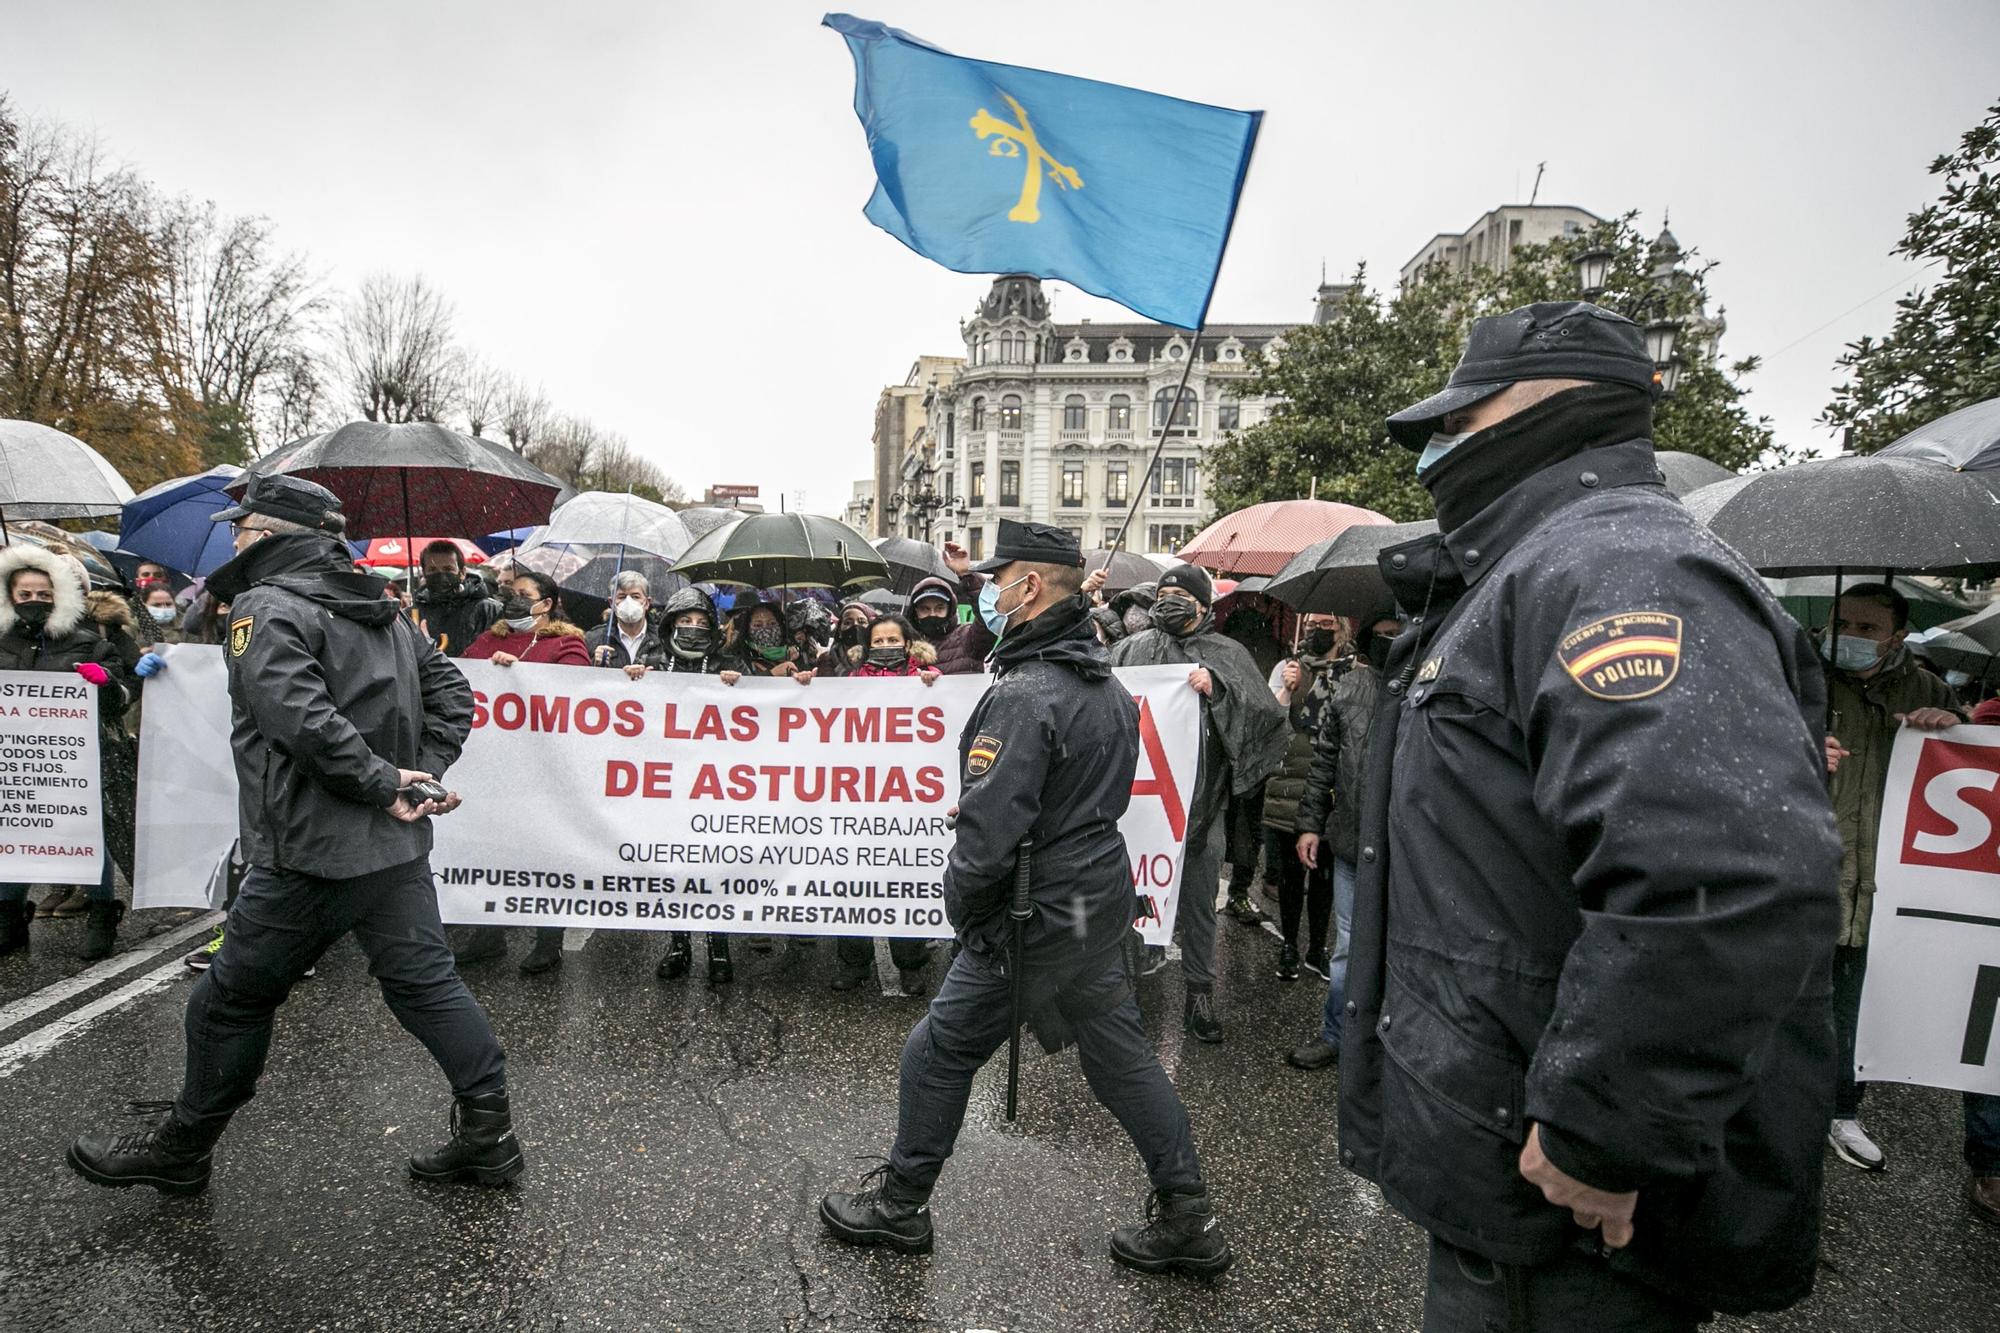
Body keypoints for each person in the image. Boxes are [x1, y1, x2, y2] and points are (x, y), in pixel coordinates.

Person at [1343, 301, 1840, 1329]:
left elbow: (1729, 876)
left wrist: (1600, 1131)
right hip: (1503, 1153)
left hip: (1567, 1206)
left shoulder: (1618, 568)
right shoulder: (1534, 567)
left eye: (1461, 415)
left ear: (1552, 406)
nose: (1438, 445)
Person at [67, 474, 519, 1195]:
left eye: (244, 526)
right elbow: (451, 696)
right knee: (426, 986)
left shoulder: (264, 605)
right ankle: (489, 1137)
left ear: (272, 535)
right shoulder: (385, 604)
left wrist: (394, 782)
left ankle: (184, 1145)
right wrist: (409, 779)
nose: (236, 536)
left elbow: (300, 720)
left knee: (229, 999)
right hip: (388, 844)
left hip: (310, 849)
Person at [819, 519, 1231, 1277]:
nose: (985, 592)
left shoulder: (1026, 692)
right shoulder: (1103, 682)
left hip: (1033, 916)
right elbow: (1065, 795)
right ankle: (1189, 1214)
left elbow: (985, 844)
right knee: (1120, 1060)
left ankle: (901, 1205)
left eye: (994, 579)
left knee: (936, 1053)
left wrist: (965, 907)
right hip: (1090, 905)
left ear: (1030, 586)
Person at [1818, 583, 1962, 1173]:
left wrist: (1951, 727)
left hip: (1879, 882)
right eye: (1842, 622)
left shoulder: (1926, 688)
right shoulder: (1793, 672)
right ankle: (1766, 1111)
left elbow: (1959, 772)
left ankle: (1842, 1111)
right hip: (1806, 873)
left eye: (1867, 629)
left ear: (1897, 638)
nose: (1849, 637)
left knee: (1856, 1007)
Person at [1110, 564, 1286, 1043]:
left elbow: (1265, 714)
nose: (1168, 600)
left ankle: (1200, 995)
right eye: (1162, 592)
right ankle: (1122, 993)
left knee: (1198, 906)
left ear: (1203, 606)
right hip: (1139, 808)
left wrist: (1221, 692)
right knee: (1128, 897)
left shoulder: (1227, 655)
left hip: (1202, 806)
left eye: (1180, 594)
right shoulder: (1132, 649)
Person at [455, 570, 590, 973]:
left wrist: (522, 675)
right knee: (492, 847)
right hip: (496, 767)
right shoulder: (491, 637)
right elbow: (462, 674)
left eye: (523, 594)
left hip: (544, 770)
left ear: (546, 604)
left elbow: (577, 695)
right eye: (509, 593)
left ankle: (549, 939)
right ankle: (487, 934)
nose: (512, 599)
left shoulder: (567, 643)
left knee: (546, 851)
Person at [0, 546, 132, 959]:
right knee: (15, 836)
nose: (34, 601)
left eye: (44, 593)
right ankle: (8, 915)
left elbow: (120, 702)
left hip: (77, 761)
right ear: (10, 596)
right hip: (17, 763)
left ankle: (101, 913)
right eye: (25, 594)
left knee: (85, 838)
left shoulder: (89, 642)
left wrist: (107, 682)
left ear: (59, 595)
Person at [1285, 610, 1399, 1070]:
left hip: (1407, 846)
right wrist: (1310, 824)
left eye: (1401, 633)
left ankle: (1392, 1046)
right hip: (1352, 839)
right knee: (1349, 946)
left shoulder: (1425, 687)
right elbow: (1323, 762)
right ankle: (1338, 1036)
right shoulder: (1349, 689)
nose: (1394, 641)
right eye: (1385, 635)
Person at [832, 612, 941, 997]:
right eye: (877, 642)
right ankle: (854, 962)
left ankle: (910, 965)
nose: (885, 647)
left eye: (892, 640)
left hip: (906, 801)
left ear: (908, 644)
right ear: (867, 646)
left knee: (903, 882)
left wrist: (934, 688)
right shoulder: (849, 683)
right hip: (858, 798)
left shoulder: (929, 681)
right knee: (852, 884)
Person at [635, 586, 736, 986]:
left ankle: (719, 945)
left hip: (718, 784)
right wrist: (633, 683)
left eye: (700, 623)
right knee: (675, 866)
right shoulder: (653, 662)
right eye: (684, 622)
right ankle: (678, 944)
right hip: (668, 784)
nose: (693, 629)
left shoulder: (728, 662)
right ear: (669, 625)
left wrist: (739, 684)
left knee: (715, 866)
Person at [1259, 613, 1352, 984]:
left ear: (1342, 629)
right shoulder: (1288, 666)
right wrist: (1286, 689)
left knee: (1324, 877)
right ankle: (1289, 947)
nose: (1317, 629)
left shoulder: (1352, 671)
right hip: (1287, 786)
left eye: (1327, 622)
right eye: (1312, 622)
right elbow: (1269, 720)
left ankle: (1316, 948)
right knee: (1290, 878)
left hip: (1330, 786)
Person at [411, 540, 500, 657]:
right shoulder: (413, 614)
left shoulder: (489, 610)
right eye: (433, 570)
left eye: (448, 569)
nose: (441, 575)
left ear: (462, 573)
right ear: (424, 573)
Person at [585, 571, 662, 668]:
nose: (628, 602)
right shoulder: (593, 638)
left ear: (647, 603)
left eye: (635, 597)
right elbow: (582, 679)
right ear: (611, 603)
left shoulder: (663, 638)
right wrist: (595, 665)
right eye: (622, 597)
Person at [817, 599, 877, 677]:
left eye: (862, 622)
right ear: (839, 630)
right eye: (848, 623)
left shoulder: (878, 657)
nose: (855, 626)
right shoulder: (826, 659)